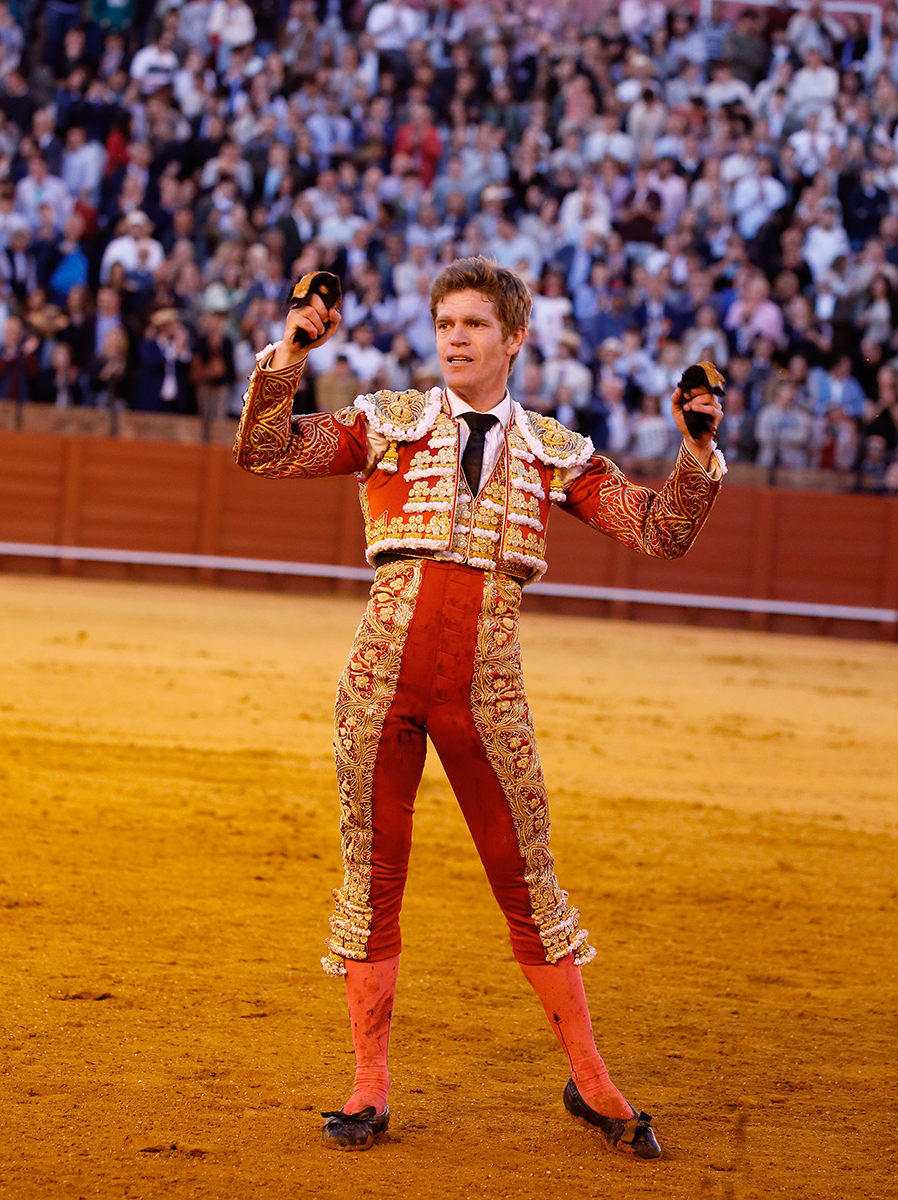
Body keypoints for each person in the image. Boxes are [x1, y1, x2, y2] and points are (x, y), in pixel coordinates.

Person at [233, 257, 724, 1158]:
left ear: (514, 339)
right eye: (445, 323)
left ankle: (594, 1081)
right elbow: (263, 450)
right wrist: (293, 350)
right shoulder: (391, 420)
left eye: (472, 325)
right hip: (379, 679)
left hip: (486, 687)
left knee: (525, 879)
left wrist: (694, 452)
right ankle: (368, 1088)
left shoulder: (553, 451)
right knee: (373, 873)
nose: (454, 338)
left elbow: (661, 532)